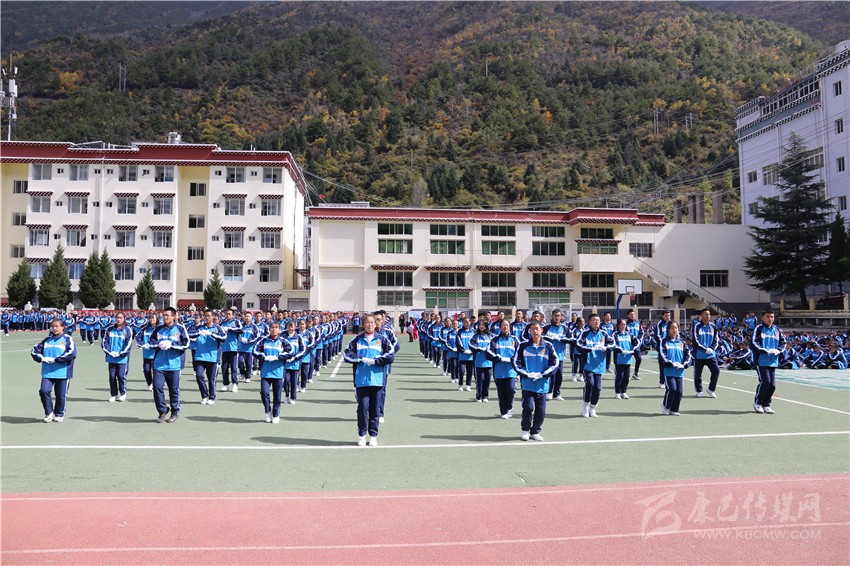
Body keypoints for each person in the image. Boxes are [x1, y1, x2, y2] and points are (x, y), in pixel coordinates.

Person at [343, 314, 396, 447]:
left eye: (372, 322)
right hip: (361, 380)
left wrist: (376, 361)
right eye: (367, 322)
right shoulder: (357, 340)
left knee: (375, 409)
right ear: (363, 324)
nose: (370, 325)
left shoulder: (382, 339)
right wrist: (360, 358)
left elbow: (391, 355)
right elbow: (346, 354)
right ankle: (361, 435)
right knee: (362, 408)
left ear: (376, 324)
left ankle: (373, 436)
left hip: (377, 380)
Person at [513, 320, 559, 441]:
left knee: (541, 410)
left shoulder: (548, 346)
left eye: (537, 328)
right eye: (532, 329)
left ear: (541, 330)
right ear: (529, 331)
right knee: (528, 407)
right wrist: (527, 374)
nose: (535, 331)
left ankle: (535, 431)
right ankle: (525, 430)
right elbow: (516, 363)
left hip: (542, 384)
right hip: (527, 384)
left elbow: (555, 363)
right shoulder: (523, 346)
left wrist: (543, 374)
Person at [148, 307, 190, 423]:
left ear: (174, 316)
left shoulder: (180, 329)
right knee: (157, 387)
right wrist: (159, 344)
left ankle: (175, 411)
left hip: (174, 365)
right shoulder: (158, 329)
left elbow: (186, 344)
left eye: (167, 315)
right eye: (164, 315)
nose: (165, 317)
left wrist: (172, 344)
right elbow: (151, 342)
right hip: (159, 364)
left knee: (173, 390)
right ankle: (162, 410)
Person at [31, 318, 77, 422]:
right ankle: (49, 412)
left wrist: (56, 359)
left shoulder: (67, 339)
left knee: (60, 395)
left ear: (62, 327)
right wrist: (42, 358)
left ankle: (59, 413)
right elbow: (34, 351)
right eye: (52, 326)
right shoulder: (47, 340)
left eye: (57, 326)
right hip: (47, 372)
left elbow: (72, 353)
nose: (54, 328)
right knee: (44, 391)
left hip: (63, 372)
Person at [253, 321, 295, 423]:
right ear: (269, 329)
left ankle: (276, 414)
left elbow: (291, 352)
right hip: (265, 372)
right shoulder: (263, 340)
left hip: (278, 372)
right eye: (272, 327)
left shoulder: (283, 341)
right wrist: (264, 356)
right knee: (264, 393)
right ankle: (268, 411)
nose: (274, 329)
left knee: (277, 395)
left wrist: (278, 357)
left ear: (279, 330)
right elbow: (254, 351)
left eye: (276, 327)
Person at [576, 313, 612, 417]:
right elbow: (578, 344)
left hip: (599, 365)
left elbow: (612, 343)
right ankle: (585, 406)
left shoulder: (604, 334)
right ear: (590, 322)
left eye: (598, 320)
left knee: (598, 388)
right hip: (588, 365)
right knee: (590, 384)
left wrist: (606, 348)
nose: (597, 322)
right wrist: (590, 349)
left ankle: (592, 408)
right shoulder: (584, 333)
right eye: (594, 320)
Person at [188, 309, 226, 404]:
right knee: (199, 375)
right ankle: (204, 395)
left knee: (211, 379)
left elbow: (224, 337)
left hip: (212, 357)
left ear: (213, 317)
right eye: (205, 316)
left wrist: (212, 334)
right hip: (200, 356)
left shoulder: (218, 328)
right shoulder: (200, 327)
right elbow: (189, 334)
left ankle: (212, 397)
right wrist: (198, 333)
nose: (207, 318)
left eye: (209, 316)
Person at [751, 310, 786, 414]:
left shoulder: (777, 330)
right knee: (765, 382)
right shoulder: (759, 329)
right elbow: (754, 343)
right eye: (768, 317)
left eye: (772, 317)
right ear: (762, 318)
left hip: (773, 361)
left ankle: (766, 404)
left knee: (772, 385)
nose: (770, 319)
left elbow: (783, 343)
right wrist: (765, 350)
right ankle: (758, 403)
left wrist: (778, 350)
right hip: (761, 361)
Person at [487, 319, 520, 419]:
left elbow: (519, 353)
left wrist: (511, 359)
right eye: (503, 325)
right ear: (500, 327)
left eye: (507, 325)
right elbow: (489, 352)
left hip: (511, 370)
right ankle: (503, 412)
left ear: (509, 327)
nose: (505, 327)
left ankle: (509, 408)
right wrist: (499, 358)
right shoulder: (495, 339)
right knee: (501, 392)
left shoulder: (514, 339)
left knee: (510, 390)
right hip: (499, 371)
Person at [659, 321, 693, 416]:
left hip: (680, 371)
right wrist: (670, 363)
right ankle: (666, 407)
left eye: (676, 328)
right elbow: (662, 354)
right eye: (672, 328)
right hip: (669, 371)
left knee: (679, 392)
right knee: (672, 389)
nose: (674, 330)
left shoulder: (681, 342)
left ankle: (674, 409)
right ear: (668, 330)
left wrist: (684, 365)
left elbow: (688, 354)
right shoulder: (664, 341)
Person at [101, 311, 135, 402]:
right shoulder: (109, 329)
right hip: (111, 357)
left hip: (122, 358)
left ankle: (123, 393)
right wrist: (109, 352)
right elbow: (104, 342)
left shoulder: (127, 330)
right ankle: (114, 394)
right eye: (117, 318)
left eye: (120, 318)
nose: (118, 319)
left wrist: (120, 353)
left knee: (121, 376)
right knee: (112, 377)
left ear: (124, 319)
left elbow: (128, 344)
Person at [542, 309, 570, 401]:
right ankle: (549, 392)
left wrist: (561, 339)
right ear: (552, 316)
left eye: (558, 316)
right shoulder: (546, 327)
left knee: (559, 376)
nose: (557, 317)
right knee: (551, 375)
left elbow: (571, 339)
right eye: (555, 315)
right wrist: (550, 338)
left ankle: (557, 393)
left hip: (560, 356)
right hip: (549, 356)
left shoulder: (565, 328)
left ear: (561, 317)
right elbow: (541, 337)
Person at [692, 308, 720, 398]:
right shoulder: (697, 326)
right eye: (705, 314)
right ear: (701, 316)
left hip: (711, 355)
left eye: (709, 314)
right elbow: (696, 341)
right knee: (698, 373)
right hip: (699, 354)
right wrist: (705, 349)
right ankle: (699, 390)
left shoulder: (713, 327)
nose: (708, 316)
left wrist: (711, 349)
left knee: (716, 371)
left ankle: (711, 389)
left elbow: (716, 340)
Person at [611, 319, 639, 399]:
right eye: (622, 324)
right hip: (619, 359)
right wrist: (619, 350)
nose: (623, 326)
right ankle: (617, 392)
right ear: (618, 325)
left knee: (626, 377)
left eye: (624, 324)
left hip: (628, 359)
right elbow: (613, 344)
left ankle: (623, 392)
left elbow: (636, 342)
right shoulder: (615, 335)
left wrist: (633, 349)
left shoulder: (629, 335)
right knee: (619, 376)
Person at [469, 318, 493, 402]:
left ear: (486, 326)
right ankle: (479, 396)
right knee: (480, 380)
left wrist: (488, 349)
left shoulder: (490, 336)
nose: (481, 326)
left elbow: (494, 346)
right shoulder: (475, 336)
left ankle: (485, 396)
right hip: (479, 362)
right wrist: (478, 348)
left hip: (489, 362)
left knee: (487, 380)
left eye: (483, 325)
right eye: (480, 325)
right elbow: (471, 344)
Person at [219, 308, 242, 393]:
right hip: (225, 349)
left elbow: (240, 330)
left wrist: (229, 329)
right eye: (227, 314)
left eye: (229, 314)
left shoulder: (236, 322)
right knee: (224, 367)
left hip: (234, 348)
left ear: (233, 315)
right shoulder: (223, 323)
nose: (228, 315)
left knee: (234, 367)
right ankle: (226, 384)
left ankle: (235, 384)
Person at [238, 311, 262, 384]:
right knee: (239, 361)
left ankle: (248, 377)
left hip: (249, 348)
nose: (247, 318)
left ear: (251, 317)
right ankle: (242, 373)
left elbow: (256, 335)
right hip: (241, 348)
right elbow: (238, 334)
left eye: (249, 316)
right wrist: (240, 339)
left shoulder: (254, 326)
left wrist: (248, 340)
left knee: (248, 364)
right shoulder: (241, 326)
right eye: (246, 316)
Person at [455, 317, 476, 394]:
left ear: (470, 322)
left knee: (470, 371)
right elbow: (458, 342)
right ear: (463, 323)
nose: (466, 324)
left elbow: (475, 342)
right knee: (461, 371)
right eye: (465, 322)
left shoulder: (473, 332)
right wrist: (464, 350)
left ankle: (468, 385)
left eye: (468, 322)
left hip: (471, 356)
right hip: (462, 355)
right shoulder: (460, 332)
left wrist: (471, 350)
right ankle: (460, 384)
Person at [653, 310, 672, 388]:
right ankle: (662, 382)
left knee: (671, 363)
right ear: (663, 316)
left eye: (669, 315)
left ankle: (670, 381)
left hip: (671, 347)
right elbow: (657, 336)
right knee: (662, 365)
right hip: (662, 348)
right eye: (666, 315)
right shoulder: (659, 324)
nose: (668, 317)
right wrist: (664, 344)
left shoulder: (671, 323)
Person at [626, 310, 644, 380]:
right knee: (627, 361)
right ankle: (627, 374)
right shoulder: (626, 324)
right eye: (631, 314)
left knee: (639, 359)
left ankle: (635, 373)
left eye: (633, 314)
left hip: (636, 346)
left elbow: (641, 332)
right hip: (628, 346)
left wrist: (638, 340)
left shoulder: (638, 323)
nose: (632, 315)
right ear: (628, 315)